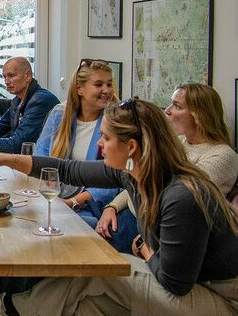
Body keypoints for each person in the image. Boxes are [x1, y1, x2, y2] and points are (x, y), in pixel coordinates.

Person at [0, 98, 238, 316]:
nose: (99, 143)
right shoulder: (132, 173)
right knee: (94, 307)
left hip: (224, 304)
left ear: (130, 146)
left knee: (100, 272)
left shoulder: (181, 196)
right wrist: (4, 159)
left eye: (105, 138)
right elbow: (67, 170)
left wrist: (143, 247)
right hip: (193, 290)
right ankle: (17, 314)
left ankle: (15, 312)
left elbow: (174, 282)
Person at [97, 83, 238, 240]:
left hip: (159, 226)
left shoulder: (223, 155)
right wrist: (113, 206)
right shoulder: (180, 142)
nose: (168, 111)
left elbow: (174, 192)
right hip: (135, 216)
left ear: (199, 115)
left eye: (177, 106)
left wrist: (146, 240)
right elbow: (140, 177)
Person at [35, 59, 137, 253]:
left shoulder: (114, 122)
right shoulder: (60, 114)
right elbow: (40, 157)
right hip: (53, 198)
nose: (106, 90)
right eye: (98, 84)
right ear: (80, 89)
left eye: (109, 84)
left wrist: (72, 202)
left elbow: (113, 179)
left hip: (89, 206)